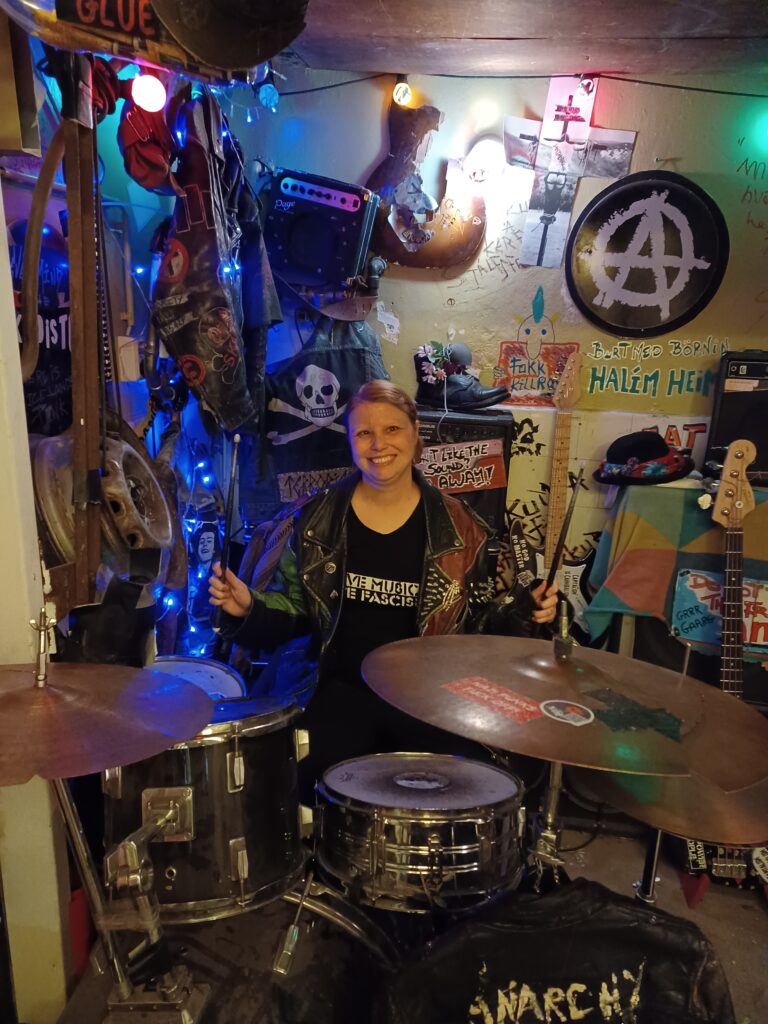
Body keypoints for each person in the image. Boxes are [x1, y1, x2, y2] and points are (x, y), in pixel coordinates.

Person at [209, 380, 558, 792]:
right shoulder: (314, 520)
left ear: (415, 435)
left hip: (429, 697)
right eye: (364, 432)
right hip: (340, 690)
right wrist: (250, 607)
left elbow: (477, 635)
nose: (379, 444)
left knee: (478, 784)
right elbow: (299, 616)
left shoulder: (464, 530)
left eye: (392, 429)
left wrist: (524, 612)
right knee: (290, 780)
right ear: (352, 441)